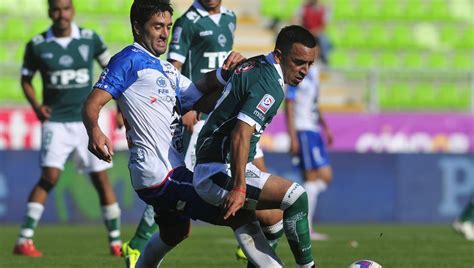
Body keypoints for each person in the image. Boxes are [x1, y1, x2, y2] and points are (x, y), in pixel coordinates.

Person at [83, 1, 283, 267]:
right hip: (159, 174)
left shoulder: (165, 68)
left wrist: (229, 76)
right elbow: (92, 103)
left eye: (167, 26)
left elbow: (199, 96)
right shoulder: (128, 59)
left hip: (170, 170)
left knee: (176, 232)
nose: (164, 33)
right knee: (240, 214)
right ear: (137, 27)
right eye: (157, 26)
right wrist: (94, 130)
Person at [193, 25, 318, 267]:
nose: (305, 70)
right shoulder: (269, 84)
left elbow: (220, 98)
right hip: (217, 171)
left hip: (222, 165)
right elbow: (241, 133)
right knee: (296, 196)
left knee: (272, 220)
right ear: (280, 56)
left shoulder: (254, 64)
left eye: (310, 64)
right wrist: (239, 188)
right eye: (299, 62)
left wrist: (196, 107)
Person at [13, 0, 122, 257]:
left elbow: (113, 71)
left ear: (72, 11)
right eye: (56, 9)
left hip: (89, 122)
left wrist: (120, 108)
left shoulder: (90, 39)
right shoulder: (37, 45)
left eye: (65, 8)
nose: (61, 14)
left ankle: (115, 242)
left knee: (101, 179)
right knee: (49, 177)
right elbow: (26, 80)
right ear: (50, 12)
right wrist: (37, 107)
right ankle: (23, 240)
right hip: (56, 123)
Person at [285, 51, 333, 241]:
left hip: (314, 129)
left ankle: (295, 210)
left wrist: (325, 126)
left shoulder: (315, 72)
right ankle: (307, 228)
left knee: (325, 176)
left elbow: (314, 103)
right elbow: (289, 103)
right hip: (302, 129)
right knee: (311, 177)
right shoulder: (298, 72)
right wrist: (293, 136)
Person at [293, 0, 331, 64]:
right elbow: (295, 19)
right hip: (306, 31)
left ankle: (324, 58)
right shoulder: (304, 7)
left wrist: (313, 32)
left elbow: (323, 27)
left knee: (324, 40)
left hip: (317, 33)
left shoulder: (324, 9)